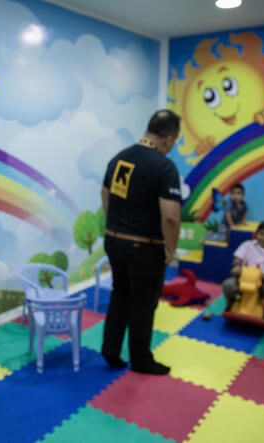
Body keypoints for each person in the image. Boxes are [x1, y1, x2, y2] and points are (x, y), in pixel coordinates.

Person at [100, 109, 181, 375]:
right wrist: (170, 248)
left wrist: (116, 225)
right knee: (144, 305)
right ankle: (141, 360)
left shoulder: (119, 158)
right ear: (169, 139)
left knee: (120, 295)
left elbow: (105, 195)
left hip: (114, 241)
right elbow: (170, 217)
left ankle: (111, 351)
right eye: (174, 142)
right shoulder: (164, 166)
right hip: (144, 247)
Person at [222, 221, 264, 309]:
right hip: (244, 280)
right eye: (261, 234)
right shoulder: (247, 245)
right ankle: (230, 304)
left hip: (262, 283)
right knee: (228, 284)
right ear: (256, 233)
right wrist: (237, 266)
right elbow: (238, 258)